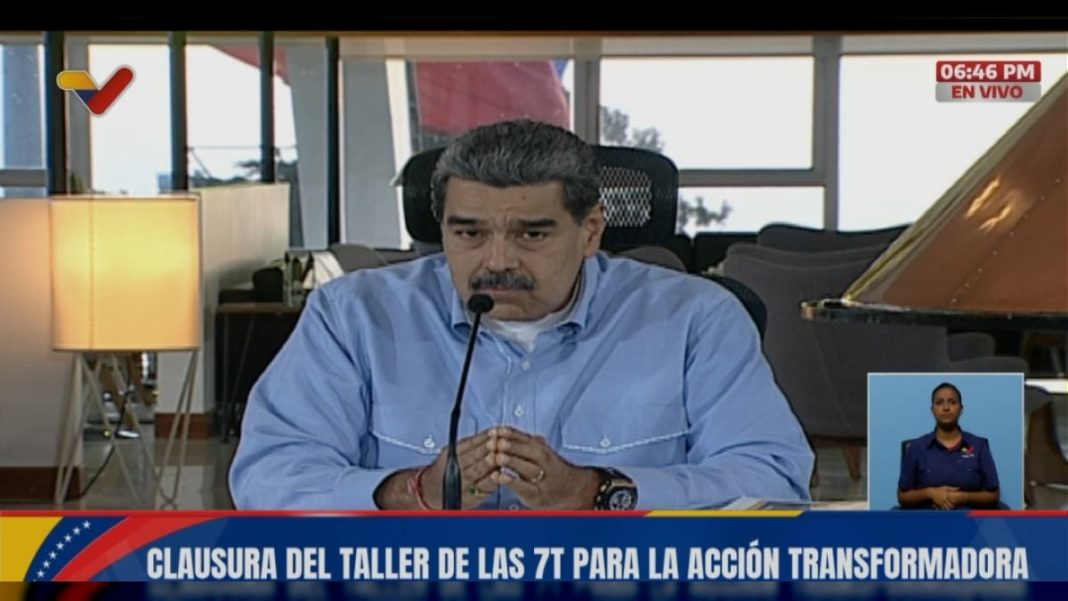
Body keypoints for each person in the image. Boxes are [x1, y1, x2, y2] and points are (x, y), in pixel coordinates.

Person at [229, 119, 813, 510]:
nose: (497, 260)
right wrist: (413, 492)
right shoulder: (352, 316)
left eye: (531, 233)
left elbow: (773, 478)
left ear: (590, 231)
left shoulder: (696, 319)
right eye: (469, 233)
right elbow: (268, 474)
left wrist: (598, 492)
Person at [897, 382, 1001, 509]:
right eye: (939, 403)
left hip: (968, 517)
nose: (946, 408)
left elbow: (993, 494)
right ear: (932, 410)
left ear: (961, 409)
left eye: (952, 402)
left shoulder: (979, 445)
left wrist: (963, 497)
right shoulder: (917, 447)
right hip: (928, 518)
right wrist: (930, 493)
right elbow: (902, 496)